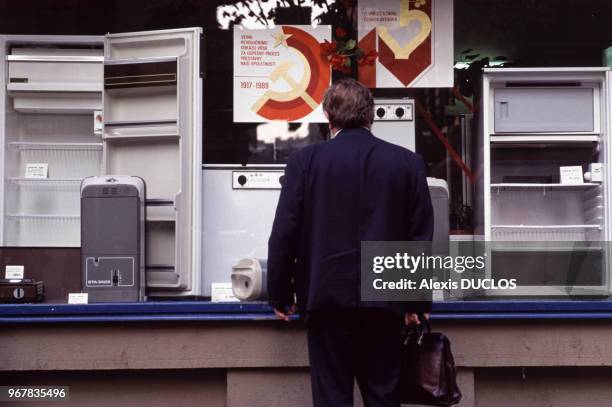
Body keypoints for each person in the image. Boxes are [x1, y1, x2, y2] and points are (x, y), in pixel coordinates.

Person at [267, 78, 434, 407]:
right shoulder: (407, 163)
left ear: (328, 116)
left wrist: (281, 293)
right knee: (384, 396)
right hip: (386, 302)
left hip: (325, 297)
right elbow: (419, 237)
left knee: (331, 398)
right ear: (372, 115)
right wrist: (415, 303)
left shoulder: (305, 163)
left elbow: (286, 231)